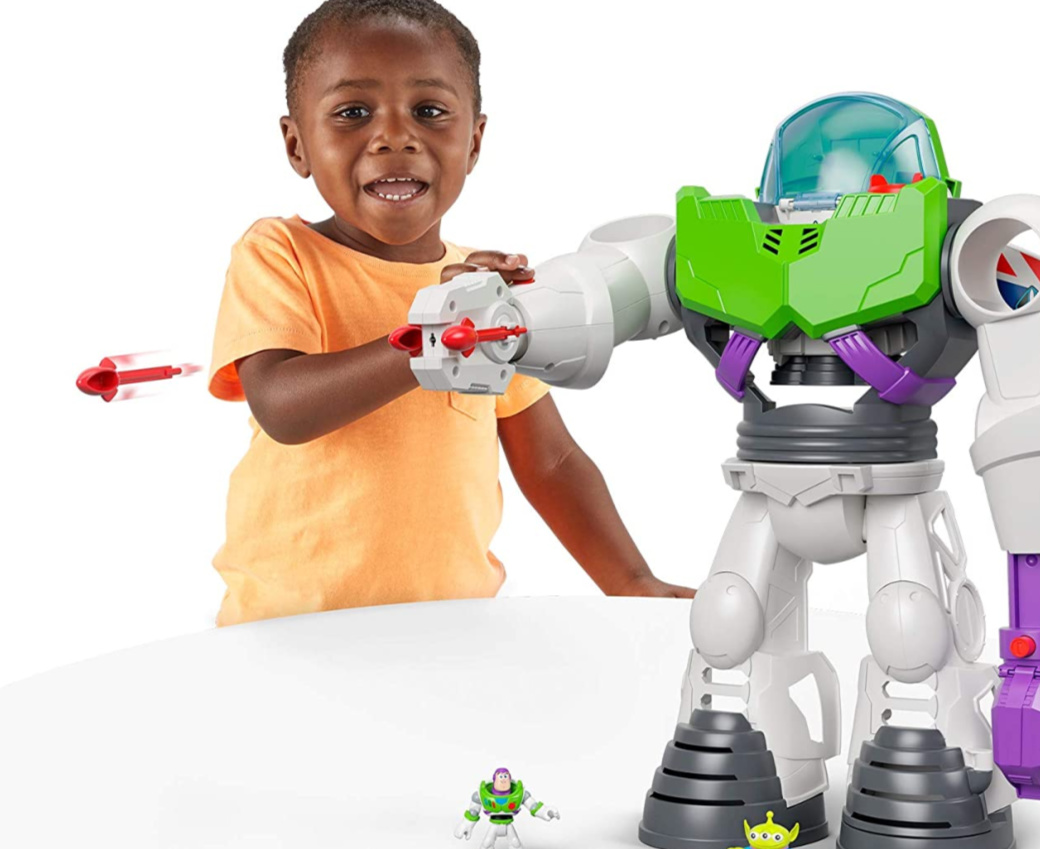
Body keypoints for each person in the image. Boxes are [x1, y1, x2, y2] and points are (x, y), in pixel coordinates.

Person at [208, 0, 691, 625]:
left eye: (430, 112)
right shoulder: (279, 251)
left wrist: (632, 582)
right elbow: (281, 406)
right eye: (353, 113)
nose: (394, 136)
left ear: (475, 140)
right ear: (297, 145)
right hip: (289, 632)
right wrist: (434, 339)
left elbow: (552, 462)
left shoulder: (489, 293)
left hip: (453, 632)